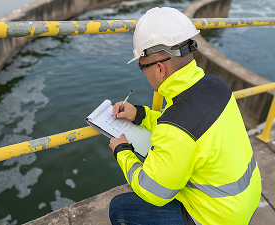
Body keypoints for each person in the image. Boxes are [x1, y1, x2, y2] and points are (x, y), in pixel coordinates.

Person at [108, 7, 261, 225]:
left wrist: (122, 151)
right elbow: (182, 125)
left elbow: (152, 191)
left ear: (159, 69)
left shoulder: (177, 123)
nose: (144, 73)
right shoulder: (215, 85)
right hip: (246, 199)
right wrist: (139, 114)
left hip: (219, 218)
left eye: (142, 68)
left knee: (120, 208)